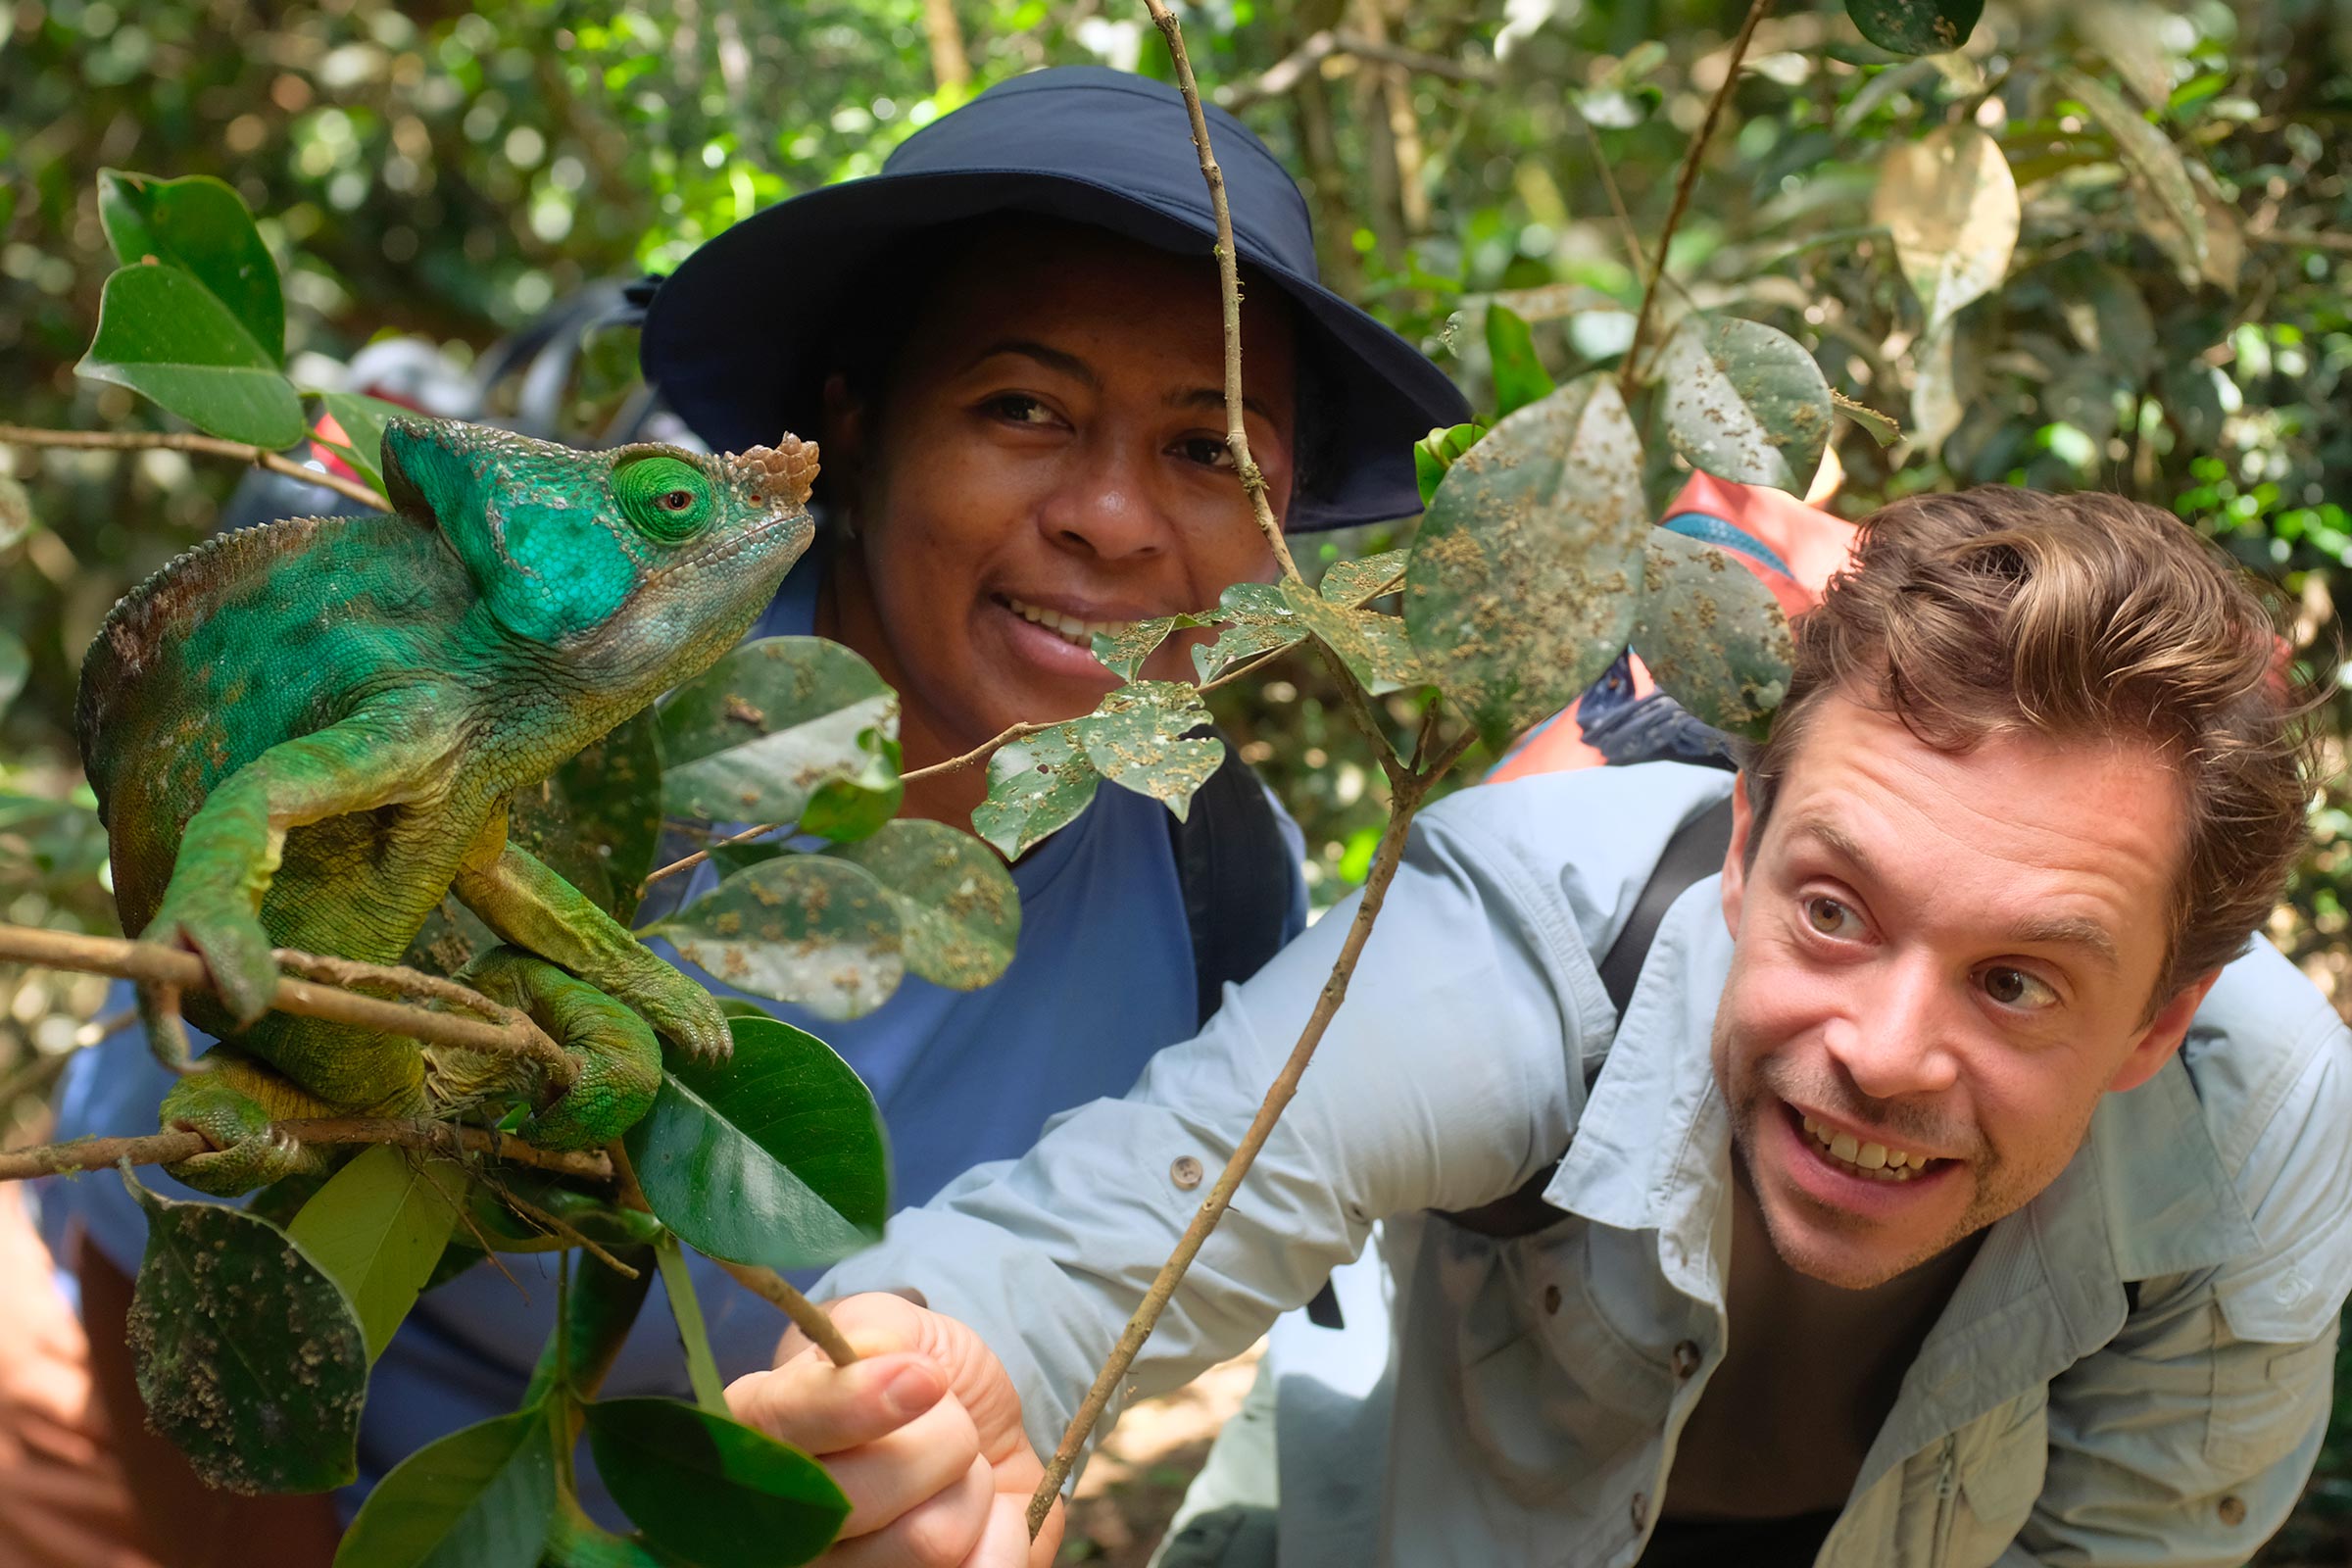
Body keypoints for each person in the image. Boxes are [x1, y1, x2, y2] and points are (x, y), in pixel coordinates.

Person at [29, 64, 1469, 1562]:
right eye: (1022, 408)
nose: (1109, 518)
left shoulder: (1222, 883)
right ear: (859, 421)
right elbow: (161, 1230)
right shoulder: (584, 719)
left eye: (1209, 449)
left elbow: (1047, 1354)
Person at [727, 486, 2352, 1568]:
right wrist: (919, 1388)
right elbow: (1100, 1237)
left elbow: (2138, 1535)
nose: (1884, 1051)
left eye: (2017, 983)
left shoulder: (2257, 1120)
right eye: (1834, 910)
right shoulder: (1519, 943)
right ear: (1741, 846)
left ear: (2157, 1023)